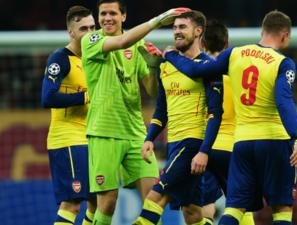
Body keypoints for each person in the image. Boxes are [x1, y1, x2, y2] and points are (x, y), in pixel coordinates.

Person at [163, 10, 297, 225]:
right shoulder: (283, 63)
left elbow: (194, 70)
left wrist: (171, 55)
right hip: (274, 140)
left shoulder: (235, 54)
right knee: (282, 208)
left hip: (242, 144)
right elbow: (283, 101)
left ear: (262, 31)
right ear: (285, 35)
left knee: (235, 208)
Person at [80, 1, 190, 224]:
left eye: (112, 13)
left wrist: (152, 67)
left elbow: (151, 90)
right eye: (103, 14)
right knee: (108, 202)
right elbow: (122, 41)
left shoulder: (138, 44)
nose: (107, 18)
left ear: (124, 16)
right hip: (104, 131)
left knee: (152, 198)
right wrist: (158, 20)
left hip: (136, 133)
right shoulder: (91, 40)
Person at [133, 10, 223, 225]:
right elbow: (161, 111)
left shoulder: (208, 67)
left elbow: (214, 114)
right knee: (192, 213)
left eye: (182, 27)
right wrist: (149, 138)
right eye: (174, 28)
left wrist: (204, 151)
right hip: (173, 143)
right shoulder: (165, 66)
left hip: (193, 144)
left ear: (198, 31)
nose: (176, 32)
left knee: (155, 197)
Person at [41, 5, 96, 225]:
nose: (90, 33)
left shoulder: (94, 58)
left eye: (93, 27)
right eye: (83, 28)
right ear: (71, 32)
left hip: (91, 137)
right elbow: (48, 98)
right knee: (73, 203)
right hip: (68, 140)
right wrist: (83, 97)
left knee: (99, 201)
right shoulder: (60, 59)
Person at [199, 19, 255, 225]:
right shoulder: (238, 74)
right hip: (233, 147)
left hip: (203, 149)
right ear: (227, 44)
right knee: (240, 205)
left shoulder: (198, 74)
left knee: (205, 206)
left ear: (202, 44)